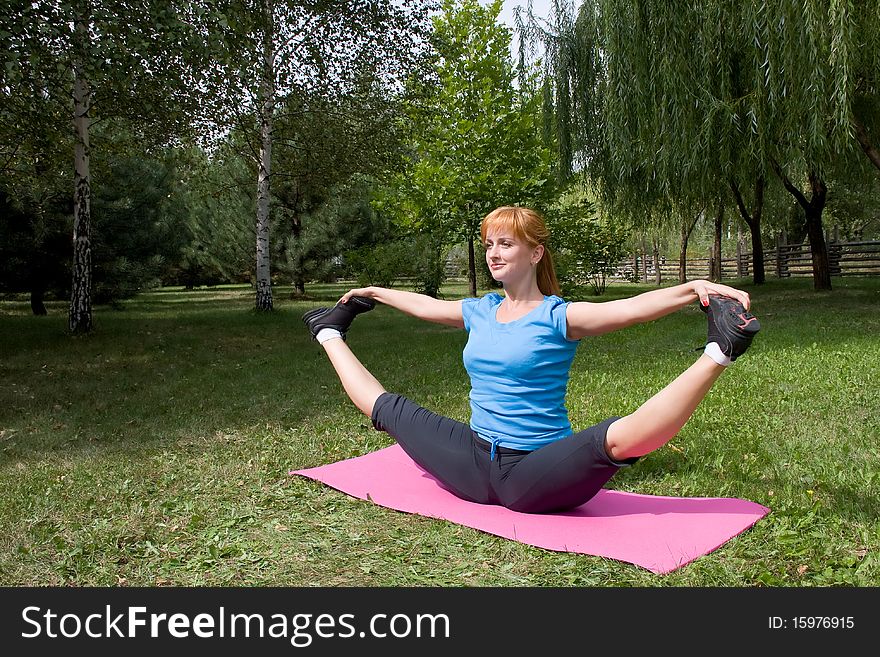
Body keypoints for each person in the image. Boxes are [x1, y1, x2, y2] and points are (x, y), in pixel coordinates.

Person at [301, 206, 760, 514]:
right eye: (488, 245)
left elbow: (629, 309)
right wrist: (375, 293)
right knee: (389, 410)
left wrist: (694, 289)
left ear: (535, 252)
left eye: (506, 244)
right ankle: (328, 332)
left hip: (536, 469)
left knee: (616, 440)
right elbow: (424, 306)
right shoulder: (480, 310)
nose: (493, 253)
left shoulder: (559, 316)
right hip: (473, 462)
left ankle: (719, 352)